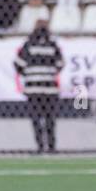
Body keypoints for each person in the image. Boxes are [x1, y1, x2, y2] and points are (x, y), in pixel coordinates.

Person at [14, 20, 64, 154]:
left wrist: (31, 73)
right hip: (50, 88)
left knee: (36, 118)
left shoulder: (28, 45)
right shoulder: (53, 45)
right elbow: (60, 64)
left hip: (33, 88)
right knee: (50, 119)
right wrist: (48, 72)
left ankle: (40, 146)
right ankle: (51, 146)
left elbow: (18, 64)